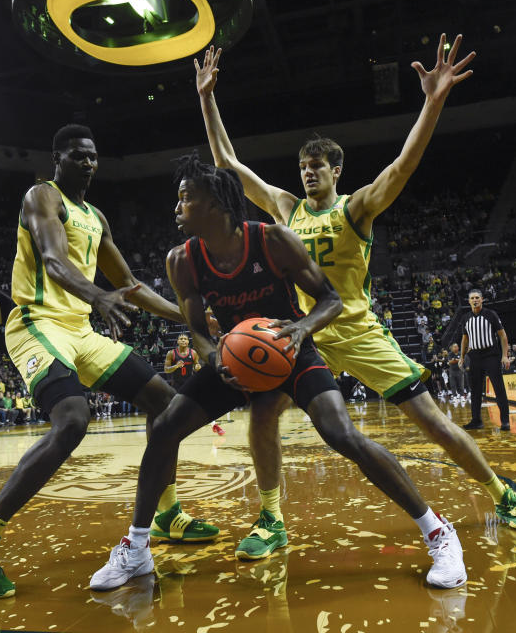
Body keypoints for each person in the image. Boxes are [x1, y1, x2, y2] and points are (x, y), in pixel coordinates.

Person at [193, 34, 516, 554]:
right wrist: (206, 96)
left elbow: (403, 166)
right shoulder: (286, 208)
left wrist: (432, 102)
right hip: (297, 333)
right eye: (303, 166)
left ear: (337, 171)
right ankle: (270, 519)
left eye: (318, 166)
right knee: (263, 414)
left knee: (429, 418)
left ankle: (501, 492)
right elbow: (229, 164)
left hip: (354, 328)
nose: (308, 172)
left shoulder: (355, 208)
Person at [90, 153, 466, 592]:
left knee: (341, 433)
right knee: (167, 426)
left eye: (186, 198)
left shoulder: (273, 240)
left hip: (290, 349)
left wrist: (302, 328)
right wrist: (213, 358)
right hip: (235, 357)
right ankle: (136, 549)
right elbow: (196, 330)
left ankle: (438, 531)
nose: (176, 208)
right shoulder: (182, 260)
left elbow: (330, 300)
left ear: (215, 204)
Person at [0, 125, 218, 600]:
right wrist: (98, 296)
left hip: (80, 330)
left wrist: (192, 316)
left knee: (168, 404)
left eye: (94, 157)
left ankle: (166, 512)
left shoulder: (95, 216)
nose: (89, 164)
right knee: (73, 421)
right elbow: (53, 260)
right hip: (38, 323)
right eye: (78, 156)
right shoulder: (41, 197)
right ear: (58, 158)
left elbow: (131, 284)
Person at [459, 290, 512, 431]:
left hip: (491, 355)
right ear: (469, 301)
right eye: (472, 298)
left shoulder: (490, 314)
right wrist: (462, 357)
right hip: (474, 357)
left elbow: (503, 336)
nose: (475, 300)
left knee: (499, 388)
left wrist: (504, 355)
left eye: (477, 298)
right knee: (475, 391)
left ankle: (505, 421)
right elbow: (465, 339)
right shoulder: (465, 318)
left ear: (482, 299)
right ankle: (476, 420)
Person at [164, 333, 224, 435]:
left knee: (204, 403)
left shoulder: (193, 353)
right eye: (181, 339)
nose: (183, 340)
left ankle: (215, 425)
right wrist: (175, 366)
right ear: (178, 341)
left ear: (188, 342)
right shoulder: (171, 353)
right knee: (173, 408)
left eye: (185, 339)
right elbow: (166, 370)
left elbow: (197, 364)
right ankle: (169, 428)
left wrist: (197, 366)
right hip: (177, 384)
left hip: (190, 382)